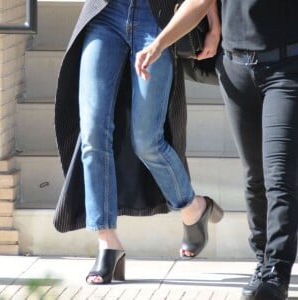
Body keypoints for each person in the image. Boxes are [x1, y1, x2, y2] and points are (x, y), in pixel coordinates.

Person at [136, 1, 298, 299]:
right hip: (235, 69)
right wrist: (159, 44)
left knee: (279, 177)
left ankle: (276, 274)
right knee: (255, 177)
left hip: (287, 69)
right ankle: (262, 262)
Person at [53, 0, 223, 285]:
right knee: (93, 133)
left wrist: (214, 26)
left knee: (147, 140)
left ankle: (193, 206)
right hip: (105, 15)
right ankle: (107, 242)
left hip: (158, 19)